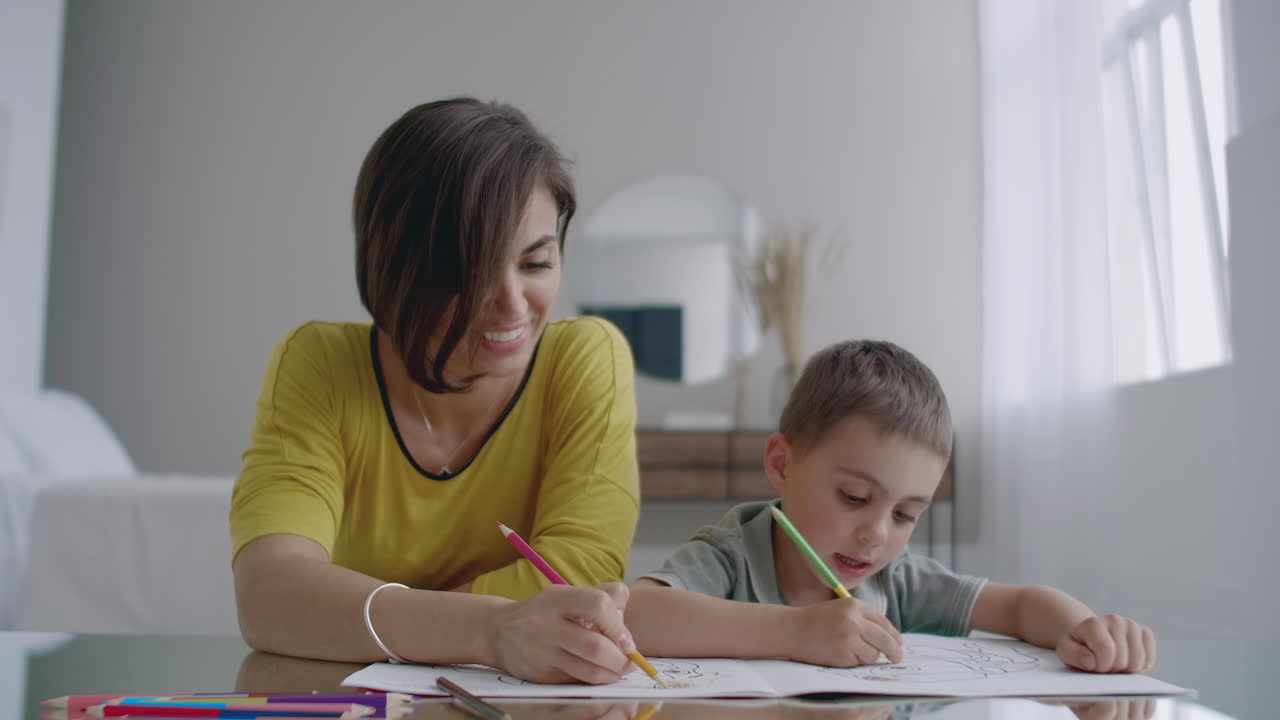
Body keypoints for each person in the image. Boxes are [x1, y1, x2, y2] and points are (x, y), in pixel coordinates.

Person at [230, 97, 642, 684]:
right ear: (395, 266)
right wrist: (490, 630)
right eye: (469, 272)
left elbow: (576, 579)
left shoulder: (584, 359)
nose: (511, 304)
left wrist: (350, 612)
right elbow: (270, 595)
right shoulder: (319, 364)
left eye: (536, 263)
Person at [625, 340, 1157, 675]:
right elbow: (634, 614)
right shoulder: (731, 553)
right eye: (854, 498)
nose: (876, 534)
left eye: (906, 514)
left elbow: (1020, 605)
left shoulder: (894, 581)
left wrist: (1089, 631)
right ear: (783, 464)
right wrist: (796, 632)